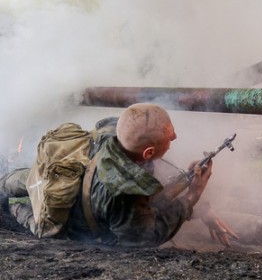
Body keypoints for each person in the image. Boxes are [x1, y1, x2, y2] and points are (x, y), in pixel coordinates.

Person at [0, 103, 236, 248]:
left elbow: (155, 188)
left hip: (54, 175)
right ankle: (14, 206)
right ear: (148, 153)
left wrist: (201, 204)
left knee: (14, 181)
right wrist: (192, 199)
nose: (174, 138)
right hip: (64, 214)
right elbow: (145, 237)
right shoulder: (123, 193)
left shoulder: (115, 132)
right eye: (169, 137)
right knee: (17, 204)